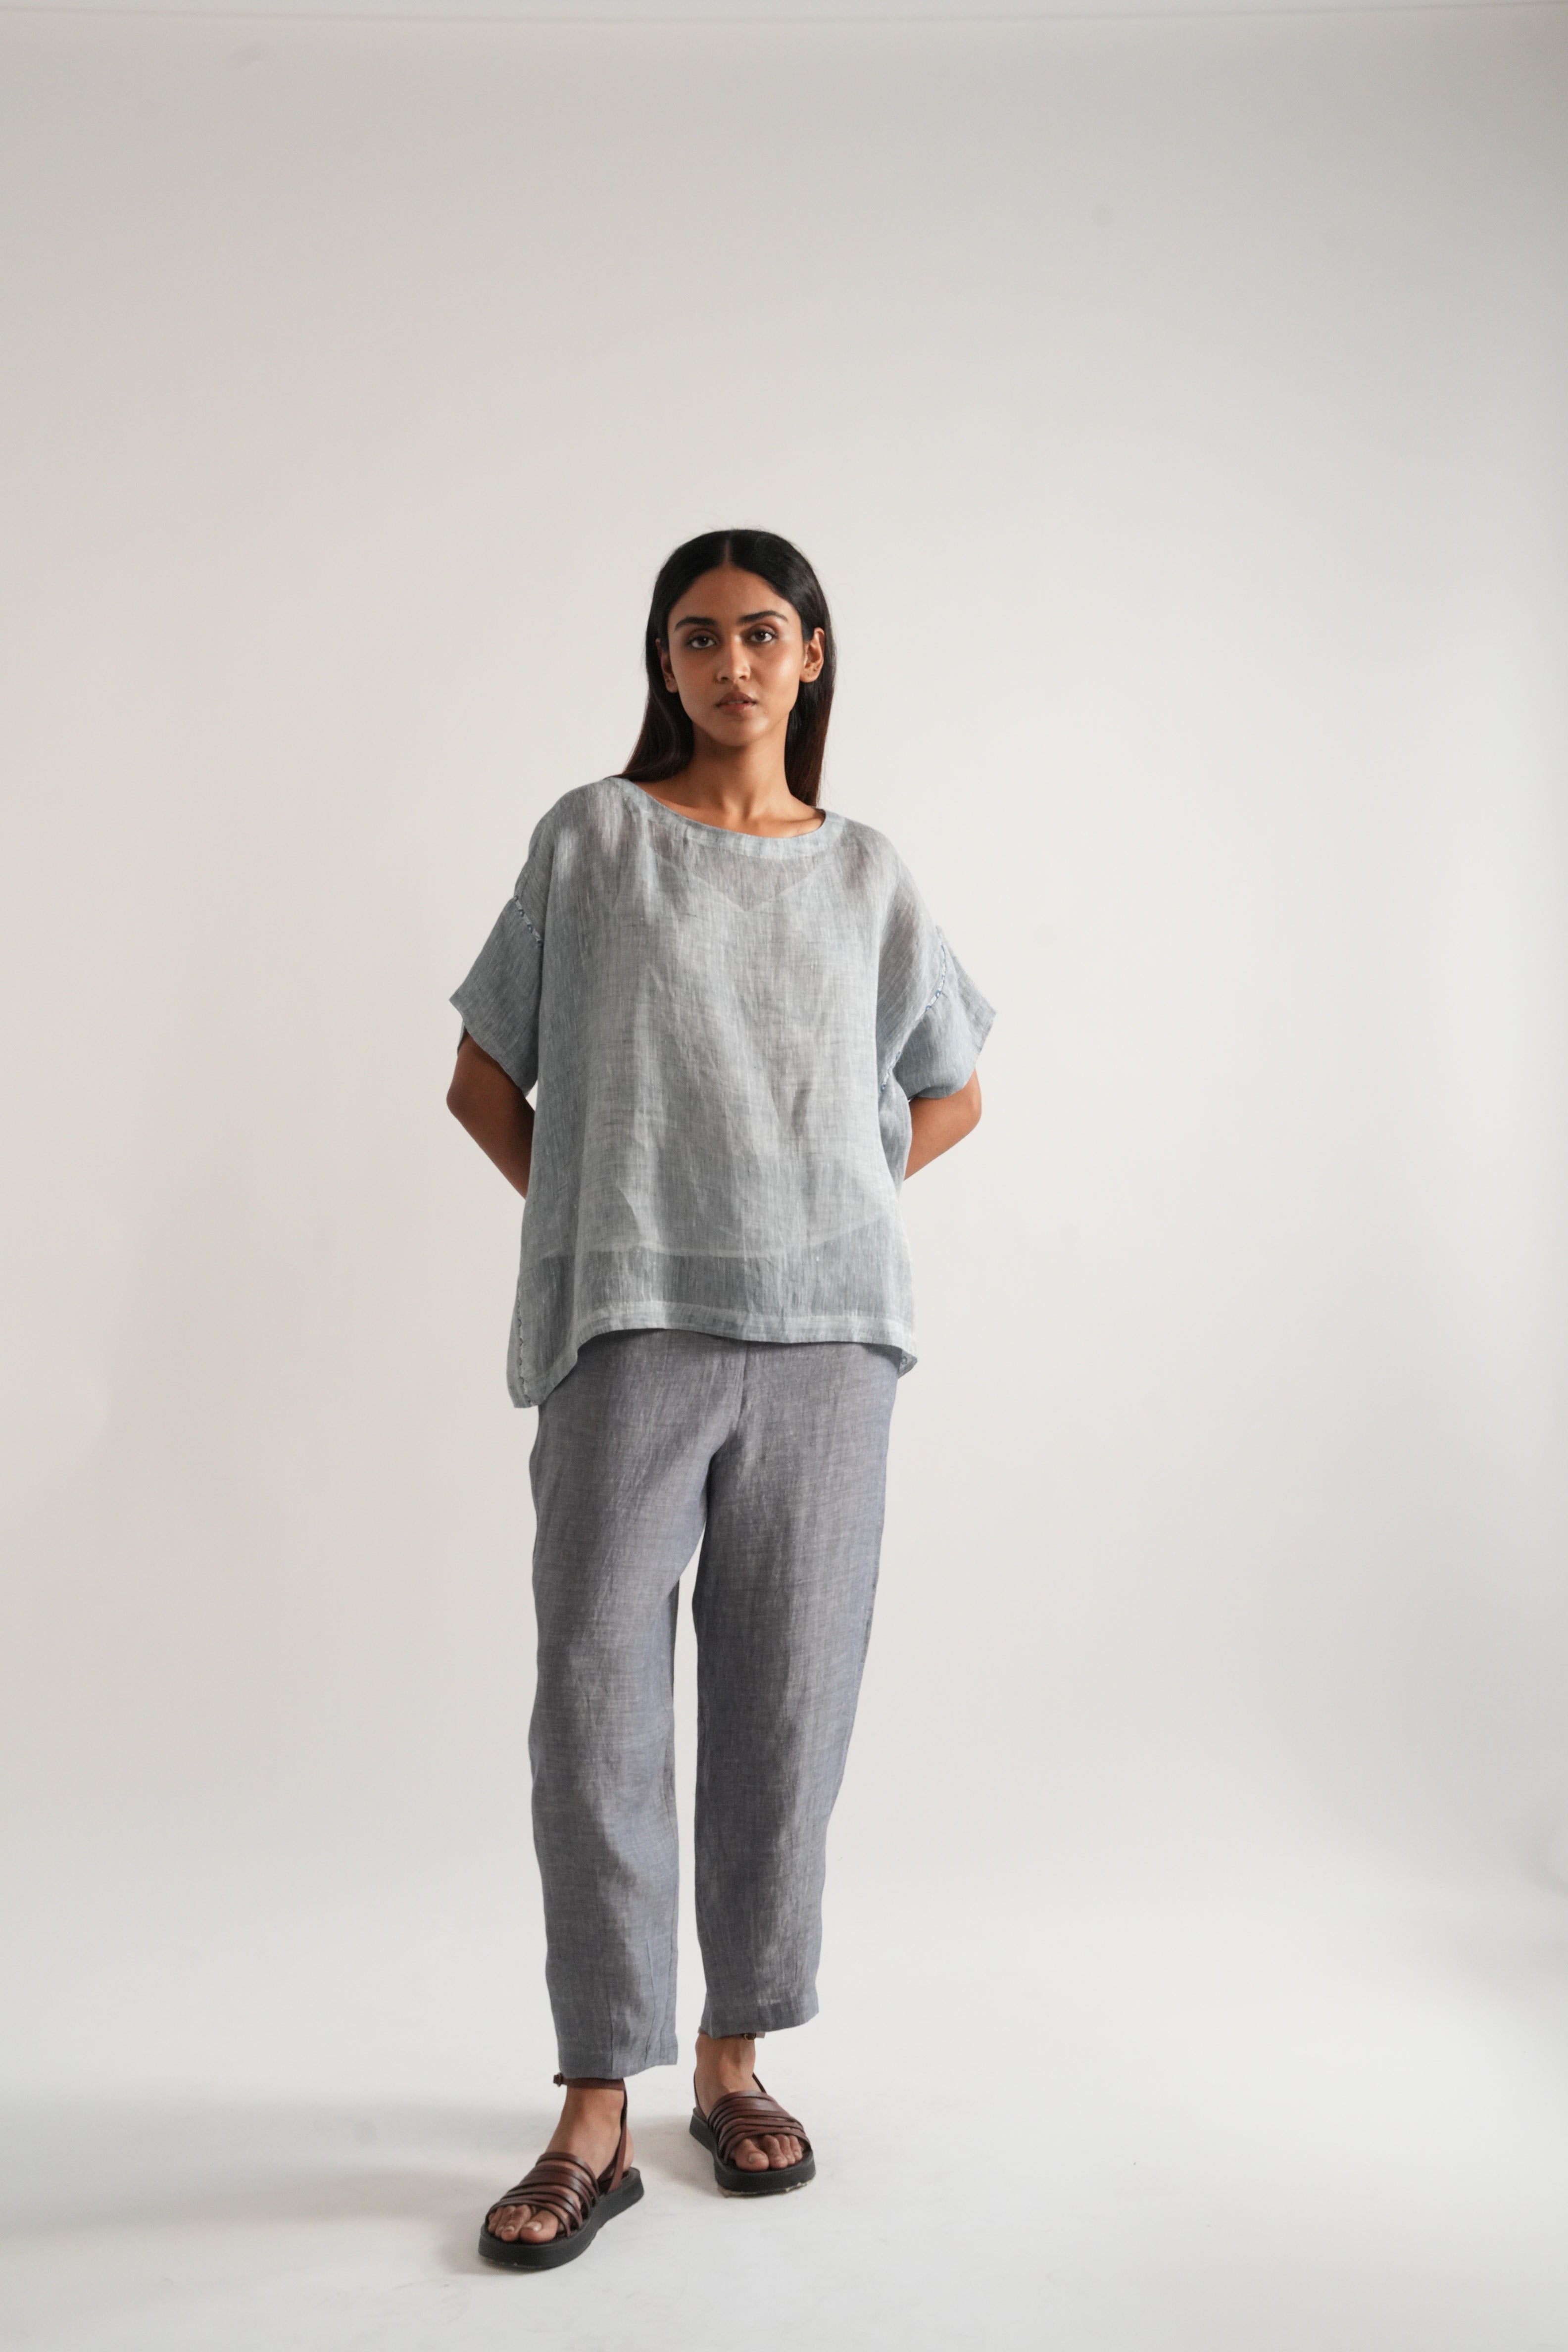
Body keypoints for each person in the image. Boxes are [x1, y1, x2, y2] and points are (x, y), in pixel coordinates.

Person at [446, 528, 993, 2269]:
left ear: (812, 656)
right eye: (698, 637)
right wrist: (608, 1216)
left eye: (764, 633)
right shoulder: (594, 840)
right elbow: (483, 1078)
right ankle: (593, 2106)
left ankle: (735, 2061)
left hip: (831, 1345)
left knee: (785, 1711)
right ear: (664, 664)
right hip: (629, 1333)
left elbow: (953, 1090)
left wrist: (818, 1202)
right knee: (595, 1705)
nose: (732, 663)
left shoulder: (869, 874)